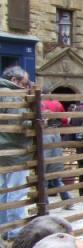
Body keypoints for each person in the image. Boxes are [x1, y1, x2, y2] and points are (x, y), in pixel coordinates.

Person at [0, 66, 31, 239]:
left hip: (2, 152)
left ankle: (5, 228)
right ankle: (14, 231)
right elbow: (21, 124)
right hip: (14, 151)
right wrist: (37, 121)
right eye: (25, 83)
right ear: (14, 81)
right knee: (16, 192)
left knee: (4, 191)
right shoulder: (12, 95)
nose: (26, 87)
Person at [41, 91, 74, 210]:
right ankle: (68, 201)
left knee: (43, 182)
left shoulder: (45, 134)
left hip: (48, 162)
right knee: (57, 181)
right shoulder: (56, 132)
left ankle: (44, 205)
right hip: (56, 162)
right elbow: (65, 120)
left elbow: (46, 152)